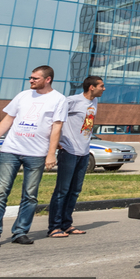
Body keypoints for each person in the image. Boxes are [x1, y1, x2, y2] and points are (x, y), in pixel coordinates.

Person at [0, 66, 67, 248]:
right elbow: (8, 118)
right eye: (30, 77)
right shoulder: (23, 95)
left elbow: (56, 127)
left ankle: (20, 232)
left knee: (30, 196)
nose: (31, 80)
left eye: (35, 78)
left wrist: (50, 154)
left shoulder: (59, 99)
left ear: (48, 79)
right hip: (11, 150)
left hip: (36, 154)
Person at [47, 76, 104, 238]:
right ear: (91, 87)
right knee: (62, 190)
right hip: (69, 151)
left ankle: (66, 224)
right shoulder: (71, 101)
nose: (104, 89)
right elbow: (54, 119)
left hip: (84, 152)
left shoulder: (94, 102)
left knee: (74, 191)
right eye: (101, 86)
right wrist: (55, 141)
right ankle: (54, 227)